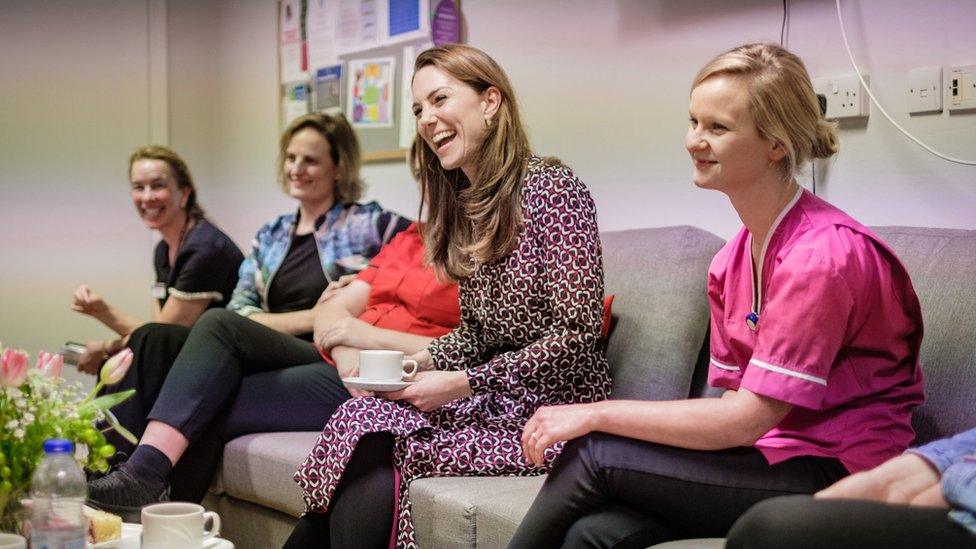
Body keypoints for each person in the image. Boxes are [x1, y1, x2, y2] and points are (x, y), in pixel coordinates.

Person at [507, 43, 925, 549]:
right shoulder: (732, 259)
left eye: (717, 128)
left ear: (775, 144)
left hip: (844, 472)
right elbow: (732, 406)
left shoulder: (822, 257)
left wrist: (594, 412)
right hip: (772, 456)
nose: (693, 141)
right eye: (693, 121)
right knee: (598, 532)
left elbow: (747, 419)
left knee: (594, 453)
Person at [286, 44, 612, 549]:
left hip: (553, 411)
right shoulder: (471, 207)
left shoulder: (553, 188)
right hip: (495, 398)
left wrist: (462, 381)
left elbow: (578, 334)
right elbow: (479, 334)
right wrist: (418, 363)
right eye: (418, 109)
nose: (427, 119)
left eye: (440, 99)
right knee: (362, 414)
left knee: (381, 440)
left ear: (490, 101)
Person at [86, 113, 420, 515]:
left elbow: (415, 267)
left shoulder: (373, 224)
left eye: (310, 160)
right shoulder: (272, 234)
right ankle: (110, 473)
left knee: (216, 328)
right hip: (267, 347)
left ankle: (158, 496)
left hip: (328, 353)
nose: (297, 168)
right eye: (291, 158)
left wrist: (333, 324)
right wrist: (310, 317)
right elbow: (241, 308)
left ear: (338, 167)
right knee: (156, 337)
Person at [70, 146, 243, 375]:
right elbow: (158, 331)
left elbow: (162, 337)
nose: (147, 197)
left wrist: (106, 344)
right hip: (192, 358)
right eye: (138, 187)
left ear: (184, 193)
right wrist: (99, 311)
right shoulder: (163, 250)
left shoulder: (205, 249)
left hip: (228, 363)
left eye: (158, 186)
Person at [726, 427, 976, 548]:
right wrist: (930, 464)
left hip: (832, 456)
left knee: (774, 531)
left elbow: (745, 420)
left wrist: (956, 477)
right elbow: (733, 393)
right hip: (775, 444)